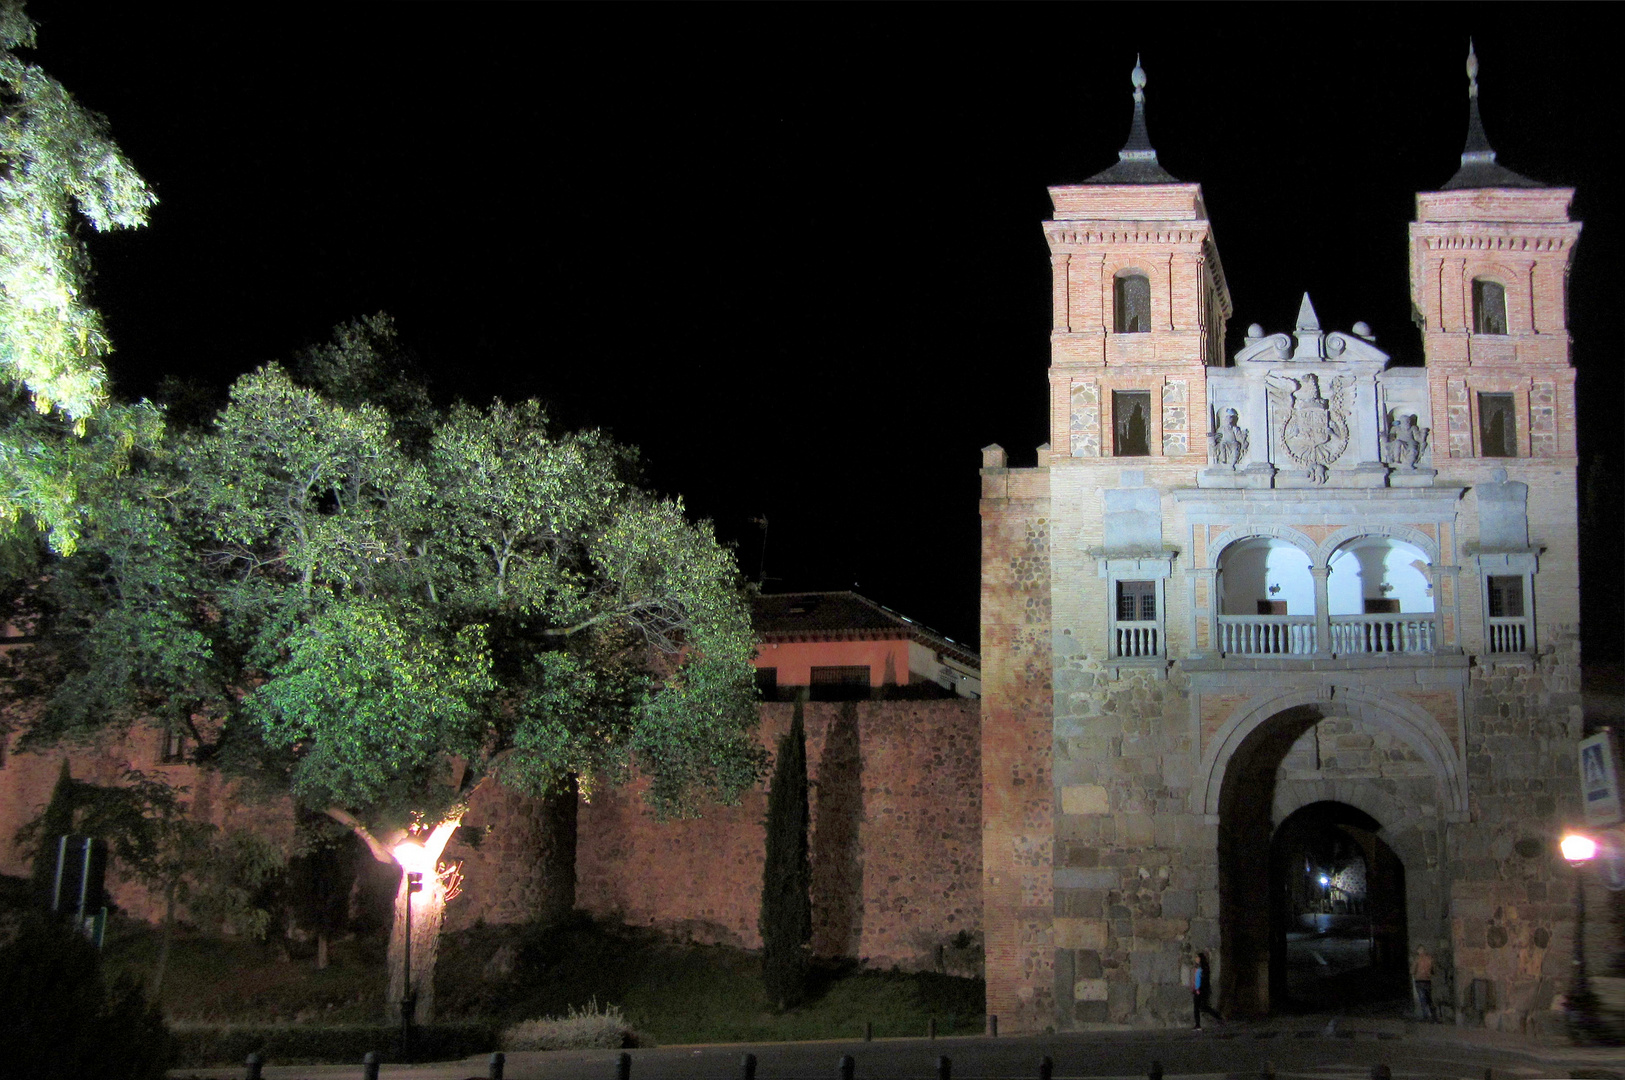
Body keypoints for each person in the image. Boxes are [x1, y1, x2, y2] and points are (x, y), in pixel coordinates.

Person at [1192, 951, 1222, 1029]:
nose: (1196, 959)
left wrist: (1197, 989)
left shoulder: (1202, 968)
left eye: (1197, 957)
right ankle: (1218, 1017)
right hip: (1199, 989)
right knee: (1201, 1007)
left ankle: (1198, 1024)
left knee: (1200, 1007)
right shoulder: (1200, 967)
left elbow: (1200, 980)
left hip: (1200, 990)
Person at [1411, 945, 1435, 1021]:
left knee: (1422, 999)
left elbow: (1412, 971)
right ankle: (1433, 1014)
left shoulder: (1417, 959)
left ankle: (1426, 1016)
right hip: (1427, 980)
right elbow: (1433, 970)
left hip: (1419, 980)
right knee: (1429, 998)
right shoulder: (1430, 959)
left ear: (1419, 951)